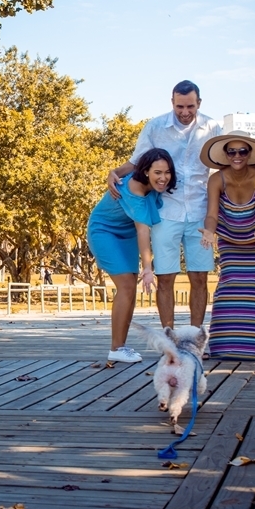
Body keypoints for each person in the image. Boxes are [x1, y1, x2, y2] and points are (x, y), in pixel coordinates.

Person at [107, 81, 221, 331]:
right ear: (172, 102)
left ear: (199, 103)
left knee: (200, 277)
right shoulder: (155, 126)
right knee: (166, 277)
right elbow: (137, 163)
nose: (184, 111)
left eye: (190, 106)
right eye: (179, 106)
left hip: (200, 212)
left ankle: (194, 337)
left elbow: (225, 166)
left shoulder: (213, 127)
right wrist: (114, 172)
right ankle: (169, 337)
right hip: (164, 211)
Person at [197, 131, 255, 360]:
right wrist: (209, 231)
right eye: (231, 151)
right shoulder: (217, 179)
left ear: (249, 153)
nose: (237, 155)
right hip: (231, 237)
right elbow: (212, 215)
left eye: (242, 151)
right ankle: (225, 348)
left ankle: (252, 348)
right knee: (228, 287)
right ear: (225, 154)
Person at [88, 148, 175, 363]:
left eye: (167, 172)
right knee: (127, 285)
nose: (163, 178)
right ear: (146, 171)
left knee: (128, 288)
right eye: (157, 173)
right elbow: (143, 229)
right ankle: (116, 348)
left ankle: (121, 346)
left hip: (126, 234)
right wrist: (148, 267)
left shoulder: (149, 181)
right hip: (105, 231)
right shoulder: (135, 189)